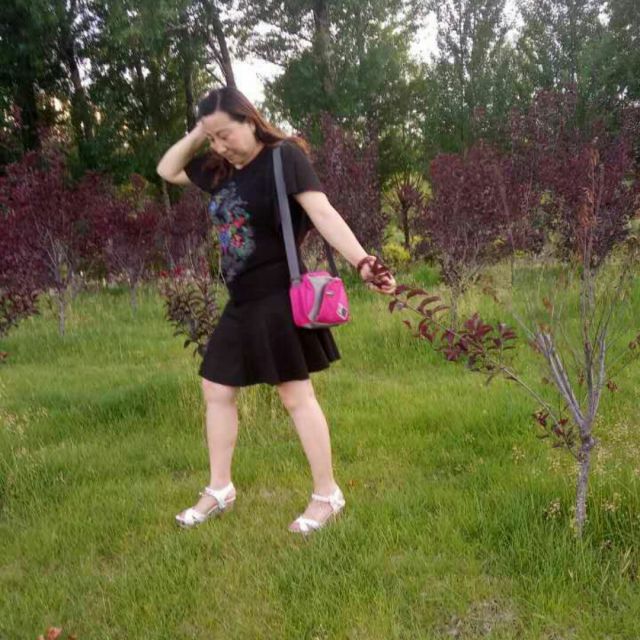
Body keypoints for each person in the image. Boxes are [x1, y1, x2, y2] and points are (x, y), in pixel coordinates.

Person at [156, 86, 396, 535]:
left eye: (226, 134)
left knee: (294, 395)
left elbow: (322, 213)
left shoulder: (284, 158)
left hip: (278, 295)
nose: (219, 146)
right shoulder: (219, 168)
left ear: (250, 120)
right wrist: (202, 130)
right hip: (241, 300)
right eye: (213, 139)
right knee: (216, 387)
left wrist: (364, 261)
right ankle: (220, 488)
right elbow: (167, 169)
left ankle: (327, 494)